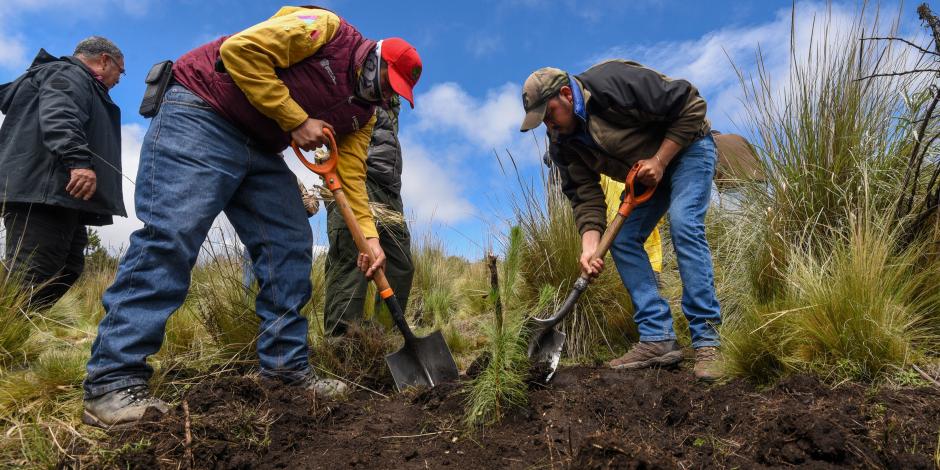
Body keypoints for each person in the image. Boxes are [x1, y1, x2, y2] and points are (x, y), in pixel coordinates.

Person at [82, 6, 423, 427]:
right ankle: (112, 382)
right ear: (373, 60)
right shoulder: (325, 30)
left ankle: (284, 371)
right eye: (383, 85)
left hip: (259, 144)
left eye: (392, 95)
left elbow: (351, 179)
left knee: (290, 245)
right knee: (171, 239)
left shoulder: (365, 115)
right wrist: (297, 120)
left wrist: (369, 241)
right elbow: (240, 52)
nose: (382, 98)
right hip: (200, 111)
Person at [520, 60, 722, 381]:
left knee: (684, 224)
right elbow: (584, 197)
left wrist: (660, 159)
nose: (549, 127)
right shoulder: (562, 144)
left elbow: (691, 104)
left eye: (549, 115)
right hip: (644, 179)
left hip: (688, 148)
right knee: (624, 240)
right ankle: (658, 337)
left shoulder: (611, 83)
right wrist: (589, 248)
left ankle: (708, 341)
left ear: (566, 95)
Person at [0, 37, 125, 311]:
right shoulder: (69, 73)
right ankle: (8, 330)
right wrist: (78, 161)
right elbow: (60, 113)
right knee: (31, 273)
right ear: (104, 60)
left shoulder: (71, 78)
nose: (119, 78)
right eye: (120, 70)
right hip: (43, 191)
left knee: (67, 268)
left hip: (62, 194)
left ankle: (17, 328)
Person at [324, 95, 414, 336]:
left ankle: (385, 340)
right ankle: (342, 346)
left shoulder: (391, 103)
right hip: (356, 181)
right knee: (353, 261)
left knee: (401, 265)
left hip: (391, 189)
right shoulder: (353, 81)